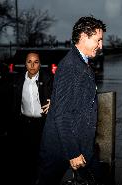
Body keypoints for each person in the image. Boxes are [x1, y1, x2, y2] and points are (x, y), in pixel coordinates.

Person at [36, 16, 106, 185]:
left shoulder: (80, 62)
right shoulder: (71, 66)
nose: (101, 45)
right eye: (98, 40)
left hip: (80, 143)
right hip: (63, 147)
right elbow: (62, 115)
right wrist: (73, 152)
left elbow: (63, 93)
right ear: (83, 37)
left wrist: (55, 100)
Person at [10, 51, 52, 185]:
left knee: (44, 156)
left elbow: (61, 91)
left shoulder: (48, 78)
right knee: (27, 157)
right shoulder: (18, 80)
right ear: (25, 63)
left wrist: (54, 101)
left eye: (36, 62)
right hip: (25, 123)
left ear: (40, 64)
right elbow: (2, 90)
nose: (32, 65)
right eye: (29, 62)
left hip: (43, 123)